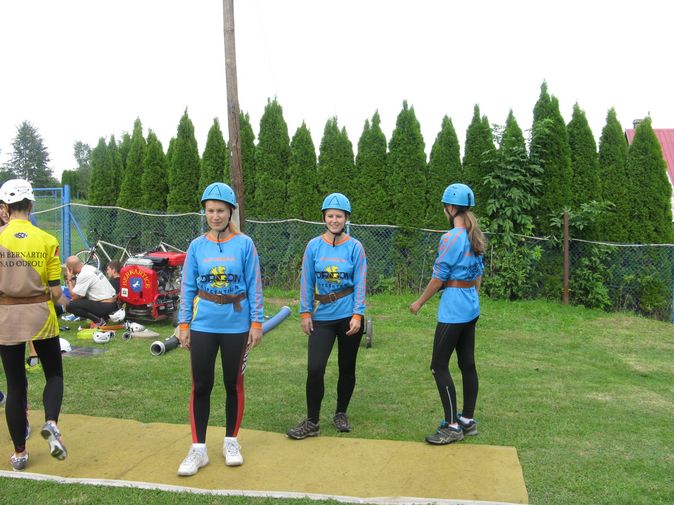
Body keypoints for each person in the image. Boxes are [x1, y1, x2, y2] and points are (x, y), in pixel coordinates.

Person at [175, 182, 264, 476]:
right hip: (203, 324)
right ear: (205, 212)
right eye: (211, 211)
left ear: (230, 212)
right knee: (201, 385)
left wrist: (256, 323)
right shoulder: (196, 246)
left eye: (221, 211)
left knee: (232, 384)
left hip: (236, 326)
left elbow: (255, 285)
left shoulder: (245, 244)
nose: (215, 216)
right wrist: (184, 324)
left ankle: (231, 442)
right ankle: (198, 449)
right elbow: (187, 287)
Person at [0, 179, 69, 471]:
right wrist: (68, 304)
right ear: (30, 205)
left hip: (6, 316)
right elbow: (56, 291)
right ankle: (51, 421)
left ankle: (20, 453)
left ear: (5, 207)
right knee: (54, 374)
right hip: (40, 313)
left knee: (16, 385)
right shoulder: (47, 240)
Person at [409, 183, 485, 445]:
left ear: (451, 208)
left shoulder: (450, 238)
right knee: (467, 364)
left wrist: (419, 302)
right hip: (471, 307)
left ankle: (452, 426)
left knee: (438, 366)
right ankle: (467, 420)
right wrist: (472, 297)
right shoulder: (475, 235)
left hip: (453, 311)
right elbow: (478, 274)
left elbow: (438, 278)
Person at [287, 193, 367, 440]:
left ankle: (341, 413)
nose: (334, 220)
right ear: (324, 218)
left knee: (347, 367)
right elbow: (307, 280)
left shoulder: (355, 247)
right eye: (330, 216)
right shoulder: (313, 246)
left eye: (339, 216)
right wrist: (305, 312)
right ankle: (312, 421)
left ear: (346, 218)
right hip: (322, 316)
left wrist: (358, 314)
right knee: (315, 368)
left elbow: (360, 282)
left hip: (348, 316)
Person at [63, 256, 117, 326]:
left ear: (71, 269)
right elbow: (79, 295)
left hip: (106, 306)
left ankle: (99, 321)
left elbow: (74, 297)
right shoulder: (89, 268)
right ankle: (103, 318)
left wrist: (69, 280)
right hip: (112, 304)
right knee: (80, 300)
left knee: (69, 305)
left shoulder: (83, 274)